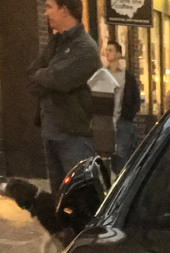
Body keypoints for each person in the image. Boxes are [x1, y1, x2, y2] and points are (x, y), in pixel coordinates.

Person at [29, 0, 100, 194]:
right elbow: (32, 75)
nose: (45, 13)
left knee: (79, 198)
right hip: (51, 132)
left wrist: (45, 76)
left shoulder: (86, 48)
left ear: (65, 10)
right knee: (58, 200)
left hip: (74, 135)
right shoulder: (55, 43)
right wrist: (46, 77)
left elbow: (60, 79)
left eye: (49, 7)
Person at [102, 39, 140, 169]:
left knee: (121, 155)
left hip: (123, 120)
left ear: (119, 54)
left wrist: (130, 114)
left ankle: (120, 183)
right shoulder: (102, 74)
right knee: (106, 155)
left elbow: (135, 98)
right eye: (106, 50)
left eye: (111, 50)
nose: (107, 53)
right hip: (106, 121)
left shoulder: (127, 76)